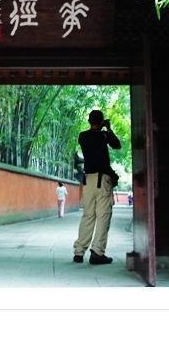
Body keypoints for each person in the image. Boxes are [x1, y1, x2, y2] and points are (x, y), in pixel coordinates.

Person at [73, 109, 121, 265]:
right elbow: (117, 145)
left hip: (88, 181)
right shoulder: (104, 135)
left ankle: (79, 251)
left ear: (89, 121)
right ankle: (97, 252)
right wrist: (108, 128)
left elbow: (92, 140)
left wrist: (101, 127)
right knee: (103, 216)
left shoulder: (82, 136)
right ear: (101, 122)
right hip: (102, 181)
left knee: (88, 215)